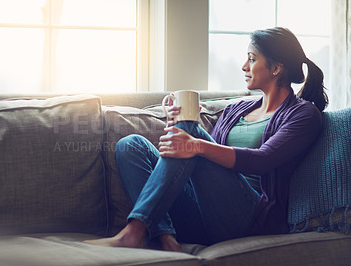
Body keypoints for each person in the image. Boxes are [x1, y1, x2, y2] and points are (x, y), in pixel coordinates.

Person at [84, 27, 328, 252]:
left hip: (249, 218)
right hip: (203, 216)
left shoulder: (304, 114)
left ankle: (135, 231)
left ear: (276, 68)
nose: (244, 66)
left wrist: (194, 140)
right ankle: (164, 235)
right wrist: (177, 125)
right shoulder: (237, 109)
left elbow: (263, 160)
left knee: (192, 137)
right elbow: (197, 163)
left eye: (252, 59)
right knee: (131, 145)